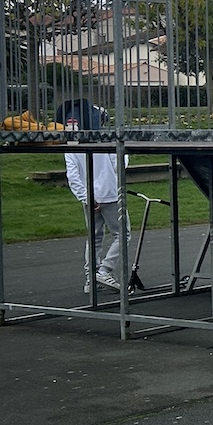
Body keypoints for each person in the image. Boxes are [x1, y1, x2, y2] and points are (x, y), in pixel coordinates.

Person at [58, 99, 131, 292]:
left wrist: (85, 196)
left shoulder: (71, 144)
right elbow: (119, 165)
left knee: (94, 237)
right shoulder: (107, 140)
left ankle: (91, 278)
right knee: (123, 234)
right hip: (109, 193)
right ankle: (104, 270)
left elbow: (72, 176)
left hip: (89, 197)